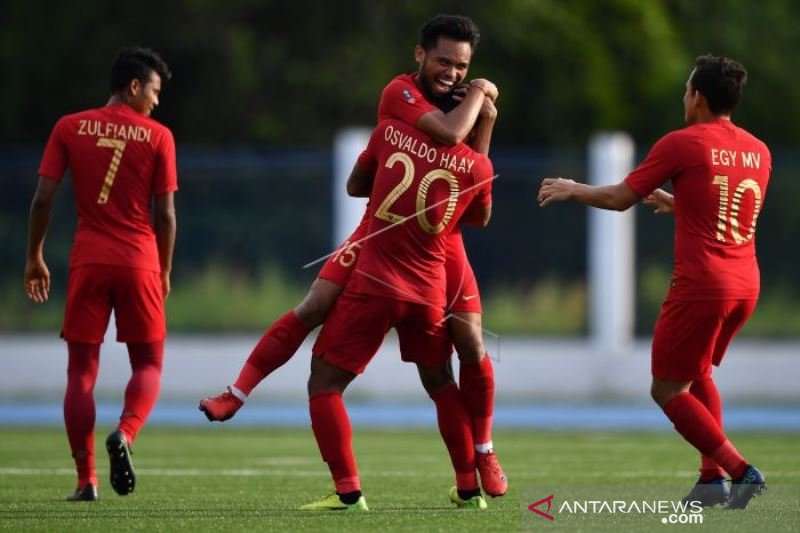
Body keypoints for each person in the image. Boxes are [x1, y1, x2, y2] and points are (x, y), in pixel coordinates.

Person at [199, 14, 507, 497]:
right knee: (314, 305)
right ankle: (236, 393)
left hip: (438, 240)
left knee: (468, 346)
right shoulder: (402, 94)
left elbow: (463, 191)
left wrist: (478, 121)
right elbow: (454, 145)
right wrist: (479, 98)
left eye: (462, 66)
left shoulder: (433, 117)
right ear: (420, 55)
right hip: (381, 232)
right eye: (444, 61)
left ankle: (483, 455)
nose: (452, 72)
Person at [537, 54, 768, 510]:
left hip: (703, 284)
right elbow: (728, 212)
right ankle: (710, 481)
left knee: (666, 389)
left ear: (698, 97)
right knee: (697, 373)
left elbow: (622, 198)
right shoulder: (758, 150)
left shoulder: (682, 143)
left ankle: (741, 471)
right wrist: (679, 205)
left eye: (687, 89)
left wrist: (573, 188)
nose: (684, 96)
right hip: (745, 284)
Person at [300, 117, 494, 511]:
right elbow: (478, 213)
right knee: (443, 378)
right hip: (432, 275)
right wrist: (485, 116)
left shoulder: (394, 124)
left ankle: (349, 491)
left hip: (384, 269)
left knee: (323, 374)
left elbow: (354, 186)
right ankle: (472, 479)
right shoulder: (470, 156)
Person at [24, 46, 177, 501]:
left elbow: (42, 199)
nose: (156, 101)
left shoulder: (68, 127)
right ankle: (126, 434)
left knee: (80, 374)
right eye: (153, 91)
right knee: (148, 364)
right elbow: (165, 215)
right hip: (140, 261)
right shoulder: (159, 137)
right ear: (133, 87)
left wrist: (34, 255)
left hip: (88, 260)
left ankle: (85, 479)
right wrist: (165, 269)